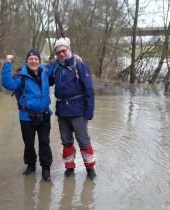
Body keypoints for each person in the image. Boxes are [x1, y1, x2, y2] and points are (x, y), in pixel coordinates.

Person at [1, 48, 53, 181]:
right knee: (28, 143)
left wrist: (75, 59)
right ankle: (31, 165)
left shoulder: (46, 72)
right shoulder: (21, 76)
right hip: (26, 117)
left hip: (44, 115)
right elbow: (7, 83)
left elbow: (59, 63)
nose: (34, 61)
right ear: (27, 61)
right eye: (31, 59)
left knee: (44, 142)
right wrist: (7, 63)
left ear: (39, 61)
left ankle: (46, 168)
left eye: (36, 59)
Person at [50, 37, 97, 179]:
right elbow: (45, 78)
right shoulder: (56, 68)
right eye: (58, 52)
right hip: (62, 111)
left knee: (83, 141)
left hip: (78, 111)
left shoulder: (80, 66)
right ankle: (69, 168)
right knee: (66, 142)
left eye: (64, 51)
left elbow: (89, 90)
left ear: (69, 50)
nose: (61, 54)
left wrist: (89, 112)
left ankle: (90, 169)